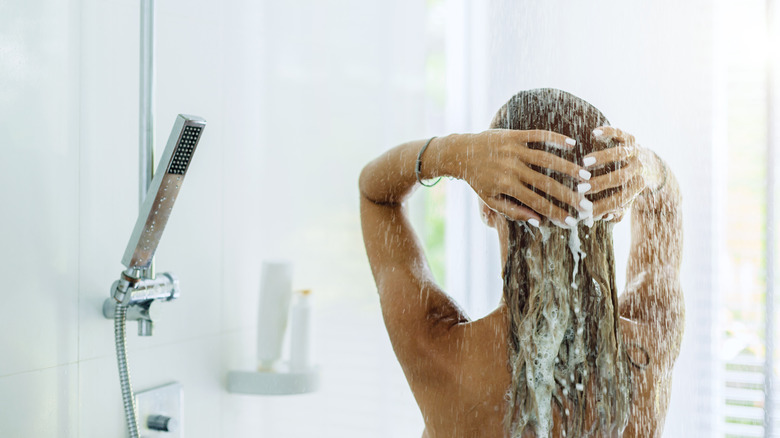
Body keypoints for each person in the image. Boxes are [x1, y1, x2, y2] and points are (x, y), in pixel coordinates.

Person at [359, 88, 683, 438]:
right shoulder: (652, 346)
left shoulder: (439, 351)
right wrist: (649, 166)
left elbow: (376, 195)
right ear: (616, 210)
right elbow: (663, 210)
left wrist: (454, 153)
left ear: (487, 206)